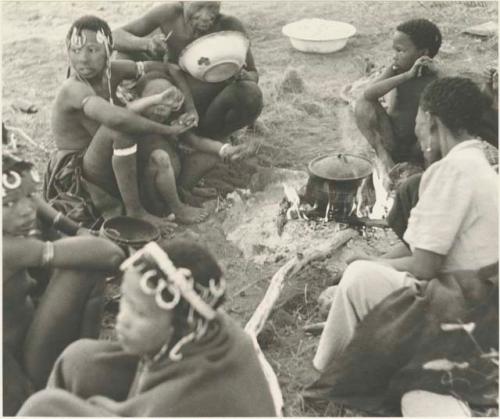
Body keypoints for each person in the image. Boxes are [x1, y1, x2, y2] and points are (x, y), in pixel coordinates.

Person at [314, 77, 498, 371]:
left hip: (462, 315)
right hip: (483, 310)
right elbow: (426, 251)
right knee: (366, 273)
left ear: (432, 120)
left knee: (359, 276)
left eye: (418, 124)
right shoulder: (479, 167)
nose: (417, 133)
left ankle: (329, 369)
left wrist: (368, 260)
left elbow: (425, 267)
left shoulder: (451, 170)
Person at [18, 239, 278, 417]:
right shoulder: (200, 323)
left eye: (139, 312)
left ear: (181, 325)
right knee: (79, 360)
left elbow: (155, 409)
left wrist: (94, 407)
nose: (122, 319)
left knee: (44, 408)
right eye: (124, 303)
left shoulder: (183, 400)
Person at [2, 152, 126, 415]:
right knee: (83, 269)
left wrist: (69, 230)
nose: (26, 209)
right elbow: (110, 254)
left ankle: (80, 365)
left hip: (20, 345)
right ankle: (78, 371)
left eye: (28, 196)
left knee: (76, 262)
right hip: (18, 375)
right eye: (8, 203)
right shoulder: (8, 249)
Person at [45, 15, 197, 228]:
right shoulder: (74, 88)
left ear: (107, 50)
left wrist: (190, 108)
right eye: (75, 50)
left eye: (92, 50)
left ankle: (176, 207)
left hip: (111, 157)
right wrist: (167, 130)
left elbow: (170, 69)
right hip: (79, 173)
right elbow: (116, 119)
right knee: (121, 129)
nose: (82, 59)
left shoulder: (112, 71)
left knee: (160, 156)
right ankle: (135, 212)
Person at [112, 2, 264, 186]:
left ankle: (214, 138)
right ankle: (189, 142)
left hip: (212, 104)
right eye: (199, 6)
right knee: (141, 72)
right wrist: (146, 43)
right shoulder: (168, 14)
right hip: (178, 100)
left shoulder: (229, 27)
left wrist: (243, 76)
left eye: (213, 8)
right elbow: (115, 36)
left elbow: (254, 74)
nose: (206, 15)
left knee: (251, 94)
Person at [84, 71, 247, 223]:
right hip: (149, 191)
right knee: (160, 157)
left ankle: (184, 192)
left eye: (168, 100)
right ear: (141, 99)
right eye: (155, 99)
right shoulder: (133, 123)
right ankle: (177, 208)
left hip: (173, 181)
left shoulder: (172, 122)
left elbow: (195, 141)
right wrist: (158, 99)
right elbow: (126, 111)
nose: (161, 106)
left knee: (211, 155)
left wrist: (225, 149)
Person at [354, 18, 442, 187]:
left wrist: (438, 72)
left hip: (421, 146)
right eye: (394, 50)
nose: (394, 56)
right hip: (392, 139)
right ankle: (385, 158)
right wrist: (406, 76)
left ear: (422, 53)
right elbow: (369, 94)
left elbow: (456, 94)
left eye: (400, 51)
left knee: (440, 123)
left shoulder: (436, 76)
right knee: (362, 103)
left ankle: (426, 172)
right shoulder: (396, 69)